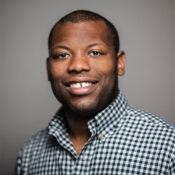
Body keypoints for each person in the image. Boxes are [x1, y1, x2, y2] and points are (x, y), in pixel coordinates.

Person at [15, 10, 175, 175]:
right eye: (62, 55)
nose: (77, 65)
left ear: (119, 63)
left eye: (95, 52)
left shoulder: (169, 146)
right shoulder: (29, 155)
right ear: (48, 69)